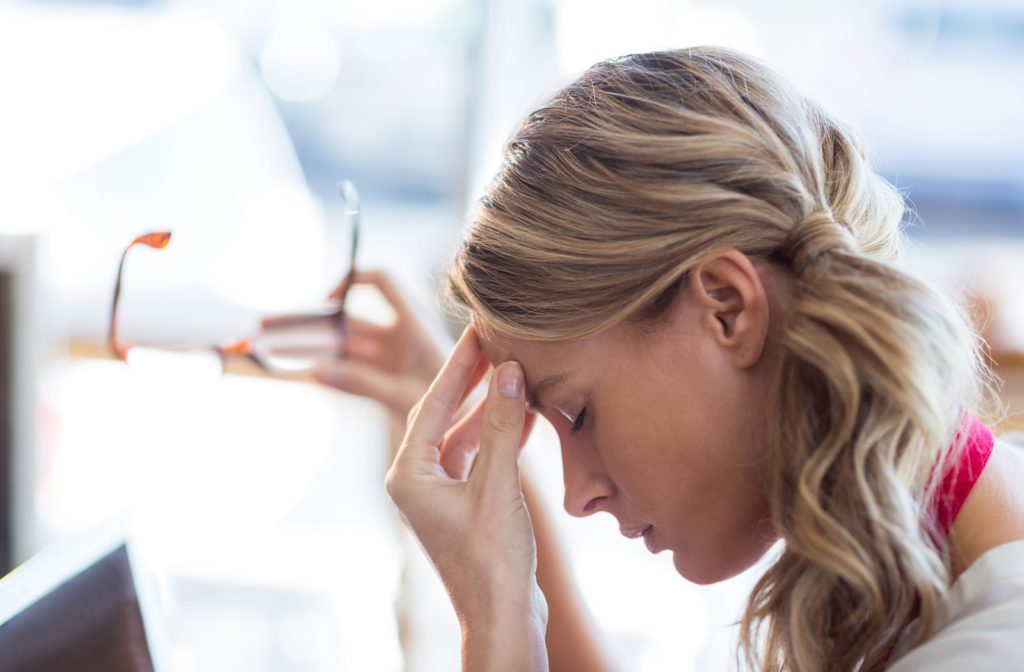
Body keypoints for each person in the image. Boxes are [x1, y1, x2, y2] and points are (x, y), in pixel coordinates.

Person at [322, 48, 1024, 670]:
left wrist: (497, 626)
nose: (578, 495)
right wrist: (506, 595)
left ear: (726, 306)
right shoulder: (910, 557)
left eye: (579, 413)